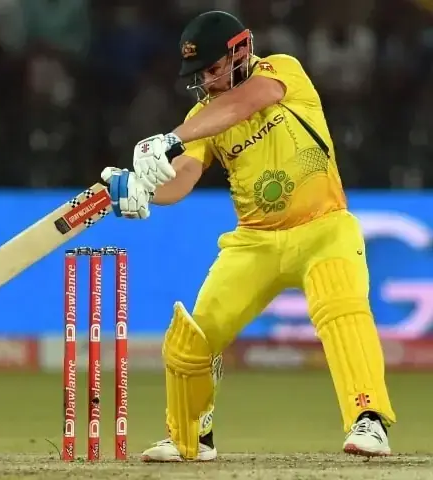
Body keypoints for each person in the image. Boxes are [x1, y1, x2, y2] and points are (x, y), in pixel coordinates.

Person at [101, 10, 395, 462]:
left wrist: (171, 137)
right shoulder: (202, 116)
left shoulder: (282, 71)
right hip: (254, 242)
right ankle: (191, 436)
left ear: (240, 51)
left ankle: (368, 419)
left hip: (323, 228)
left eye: (213, 68)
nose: (206, 81)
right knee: (192, 338)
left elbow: (248, 101)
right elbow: (183, 176)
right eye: (199, 74)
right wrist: (142, 190)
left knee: (342, 310)